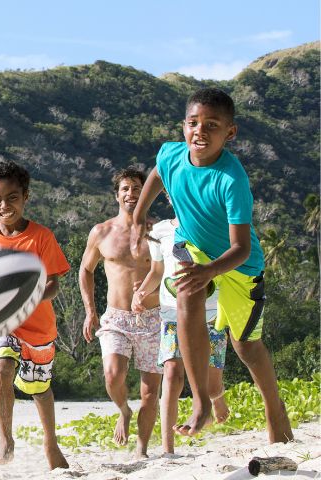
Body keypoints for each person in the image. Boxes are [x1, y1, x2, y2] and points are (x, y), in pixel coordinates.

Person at [131, 87, 292, 441]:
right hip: (196, 249)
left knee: (246, 346)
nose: (200, 131)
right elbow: (158, 174)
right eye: (193, 123)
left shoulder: (231, 180)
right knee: (188, 292)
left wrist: (210, 271)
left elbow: (241, 248)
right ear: (183, 126)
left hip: (240, 268)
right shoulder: (172, 155)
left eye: (212, 125)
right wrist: (138, 218)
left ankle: (274, 408)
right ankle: (201, 401)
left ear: (229, 133)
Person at [0, 159, 69, 470]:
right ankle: (5, 439)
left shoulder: (41, 237)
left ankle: (50, 443)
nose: (4, 205)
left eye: (12, 197)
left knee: (39, 389)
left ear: (25, 197)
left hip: (39, 329)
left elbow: (53, 283)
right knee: (1, 366)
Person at [80, 168, 163, 457]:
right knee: (113, 375)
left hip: (153, 319)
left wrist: (151, 294)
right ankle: (123, 410)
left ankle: (142, 448)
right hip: (116, 317)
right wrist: (90, 311)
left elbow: (170, 274)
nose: (131, 194)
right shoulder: (101, 232)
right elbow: (86, 270)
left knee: (150, 391)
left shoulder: (158, 232)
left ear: (145, 193)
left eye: (137, 188)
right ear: (116, 195)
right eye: (125, 189)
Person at [133, 211, 229, 454]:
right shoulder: (159, 231)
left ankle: (216, 399)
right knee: (172, 374)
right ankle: (168, 448)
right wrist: (140, 293)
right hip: (172, 313)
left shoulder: (211, 222)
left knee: (213, 387)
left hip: (212, 313)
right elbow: (156, 271)